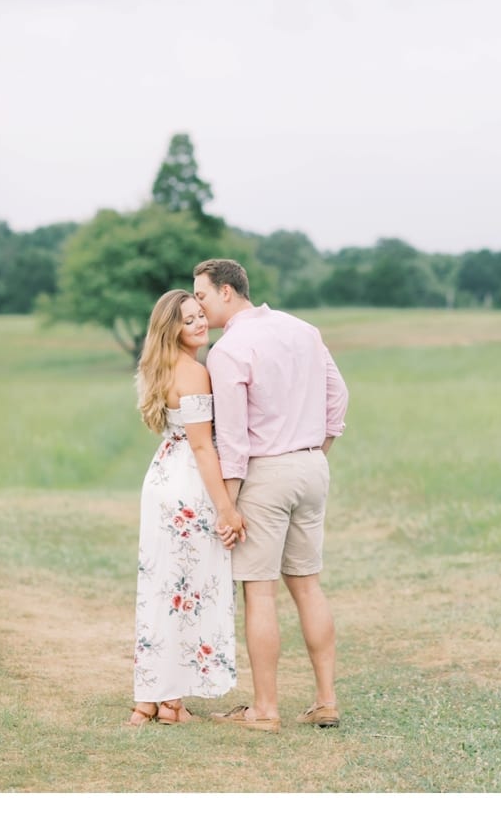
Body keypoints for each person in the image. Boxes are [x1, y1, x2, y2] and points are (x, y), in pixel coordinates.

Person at [192, 258, 349, 732]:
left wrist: (229, 505)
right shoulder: (303, 329)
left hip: (265, 474)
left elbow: (234, 439)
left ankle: (264, 709)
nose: (196, 304)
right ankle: (326, 700)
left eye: (200, 295)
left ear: (225, 291)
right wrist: (317, 451)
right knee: (307, 584)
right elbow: (338, 395)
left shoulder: (227, 350)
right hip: (311, 467)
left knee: (259, 593)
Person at [128, 289, 245, 726]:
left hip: (161, 477)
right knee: (188, 591)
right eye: (188, 319)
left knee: (163, 589)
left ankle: (151, 698)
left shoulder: (158, 367)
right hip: (187, 487)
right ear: (171, 329)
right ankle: (170, 704)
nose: (199, 323)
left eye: (201, 315)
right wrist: (226, 509)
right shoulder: (195, 373)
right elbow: (202, 446)